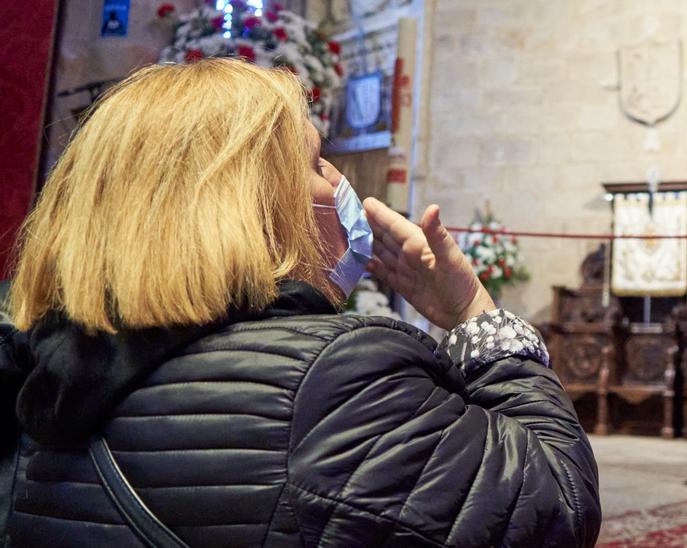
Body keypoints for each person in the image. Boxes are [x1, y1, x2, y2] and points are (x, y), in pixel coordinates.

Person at [0, 59, 600, 547]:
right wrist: (475, 313)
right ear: (247, 207)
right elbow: (555, 507)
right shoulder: (339, 378)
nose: (338, 181)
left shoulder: (28, 368)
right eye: (315, 162)